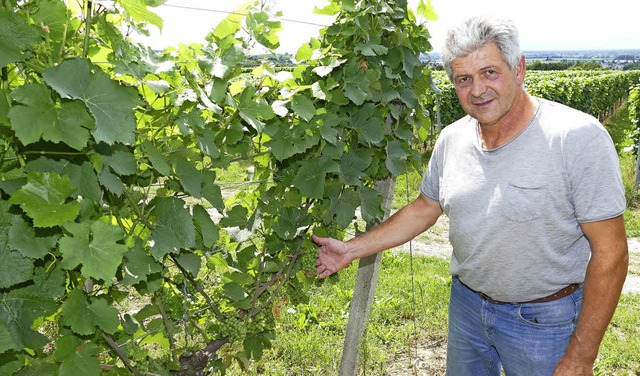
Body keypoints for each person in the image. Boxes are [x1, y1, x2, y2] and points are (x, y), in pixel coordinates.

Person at [311, 15, 629, 376]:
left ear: (519, 67)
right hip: (467, 309)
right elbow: (426, 207)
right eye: (464, 79)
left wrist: (580, 358)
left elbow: (612, 253)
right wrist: (351, 249)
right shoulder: (452, 139)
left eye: (490, 72)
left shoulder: (576, 138)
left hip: (545, 322)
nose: (477, 90)